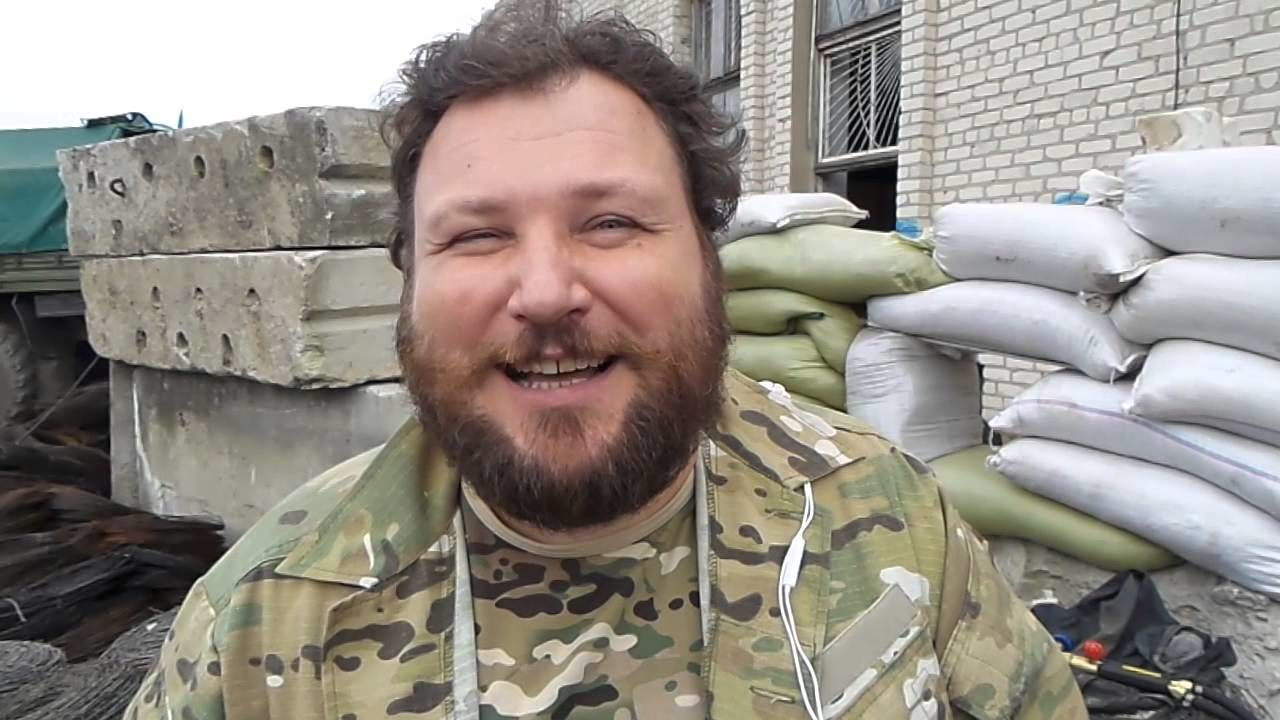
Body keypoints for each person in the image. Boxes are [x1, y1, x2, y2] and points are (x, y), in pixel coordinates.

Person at [124, 1, 1087, 718]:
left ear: (708, 259)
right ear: (408, 280)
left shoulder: (884, 516)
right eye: (477, 236)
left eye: (612, 223)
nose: (546, 292)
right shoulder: (265, 621)